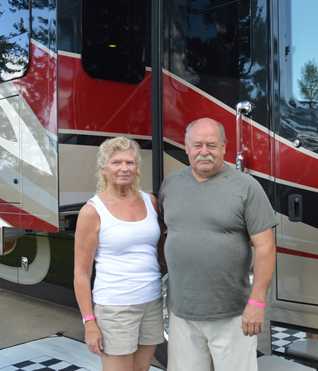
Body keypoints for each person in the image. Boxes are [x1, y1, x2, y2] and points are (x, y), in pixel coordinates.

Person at [158, 118, 278, 371]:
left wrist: (256, 303)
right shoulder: (170, 184)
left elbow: (266, 247)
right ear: (186, 147)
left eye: (211, 145)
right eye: (197, 145)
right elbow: (163, 230)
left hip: (231, 313)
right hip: (182, 312)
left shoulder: (246, 187)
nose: (204, 152)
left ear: (224, 146)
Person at [74, 137, 164, 371]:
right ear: (103, 169)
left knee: (142, 368)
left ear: (136, 168)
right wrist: (89, 323)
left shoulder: (150, 201)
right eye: (116, 163)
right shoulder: (92, 211)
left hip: (152, 302)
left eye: (130, 162)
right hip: (115, 307)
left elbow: (158, 249)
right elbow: (81, 274)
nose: (124, 168)